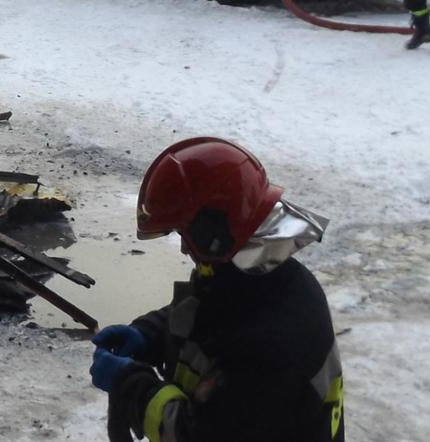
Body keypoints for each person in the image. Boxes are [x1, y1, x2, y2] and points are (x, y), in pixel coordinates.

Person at [90, 137, 345, 442]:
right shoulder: (256, 278)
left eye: (185, 234)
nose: (184, 247)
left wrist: (129, 384)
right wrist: (150, 334)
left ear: (214, 230)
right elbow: (210, 314)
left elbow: (194, 434)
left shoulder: (271, 343)